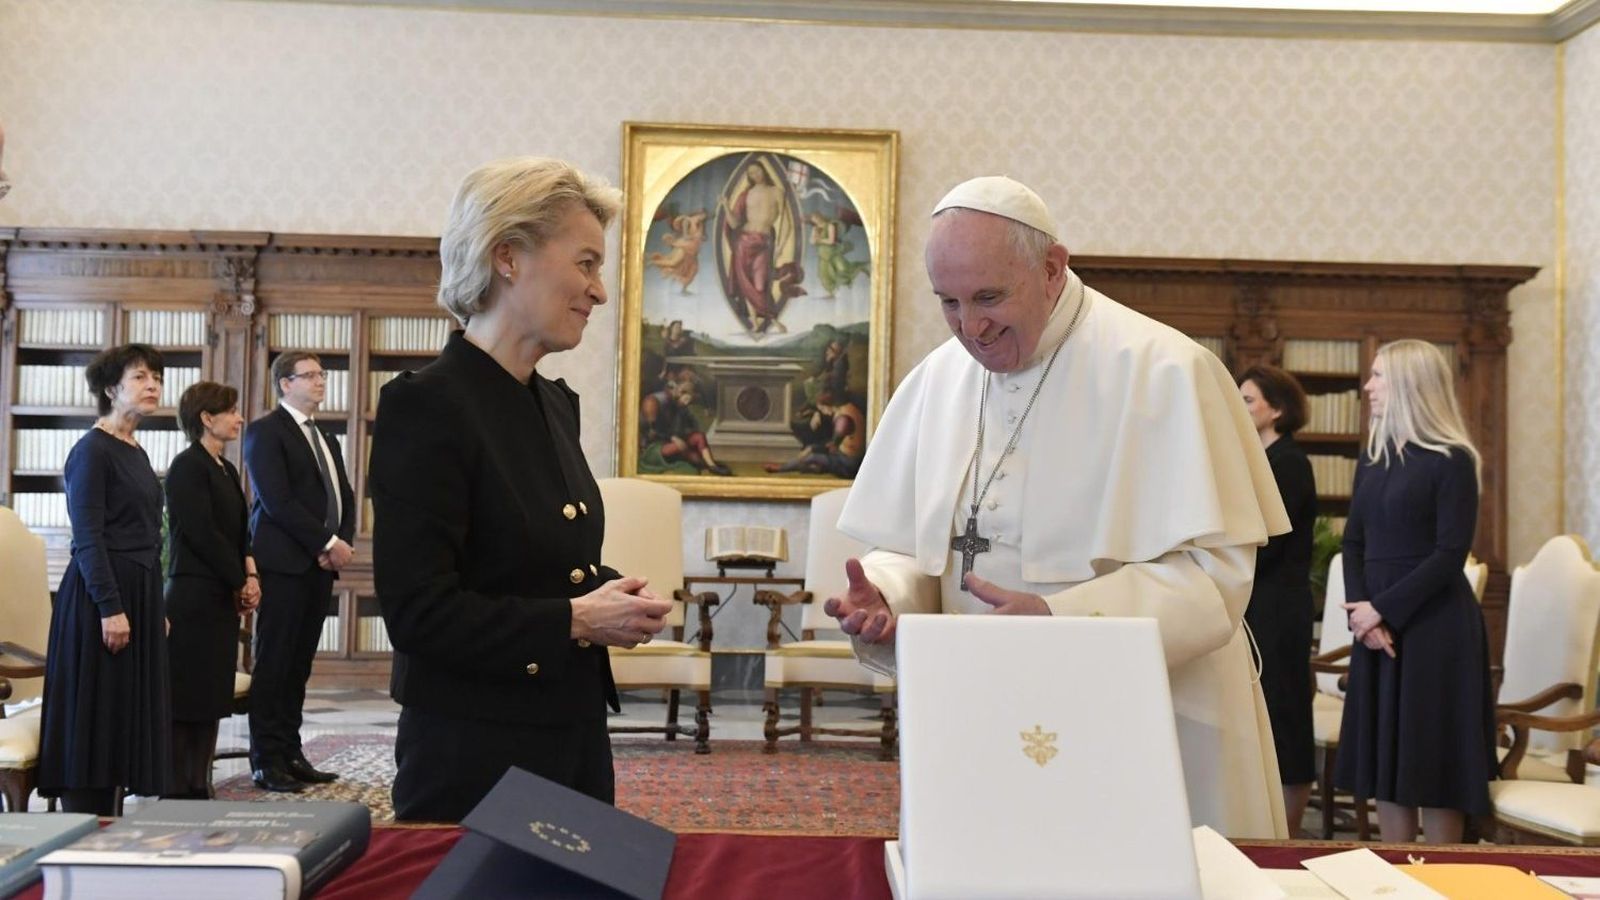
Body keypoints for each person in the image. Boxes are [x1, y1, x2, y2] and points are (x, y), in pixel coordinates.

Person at [824, 176, 1292, 838]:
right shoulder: (937, 381)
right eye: (949, 303)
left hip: (1145, 712)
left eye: (989, 297)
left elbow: (1216, 581)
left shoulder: (1164, 370)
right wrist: (887, 596)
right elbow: (913, 548)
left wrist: (1056, 617)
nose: (973, 328)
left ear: (1051, 268)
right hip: (986, 702)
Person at [371, 156, 674, 823]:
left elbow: (535, 562)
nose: (599, 292)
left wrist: (612, 592)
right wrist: (576, 618)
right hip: (473, 757)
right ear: (508, 256)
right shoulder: (426, 408)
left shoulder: (555, 404)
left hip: (572, 739)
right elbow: (418, 612)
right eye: (587, 263)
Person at [1335, 339, 1494, 844]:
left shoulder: (1453, 460)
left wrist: (1382, 610)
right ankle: (1395, 878)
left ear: (1409, 384)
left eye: (1379, 376)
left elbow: (1450, 555)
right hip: (1376, 629)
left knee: (1434, 760)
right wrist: (1364, 617)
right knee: (1387, 760)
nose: (1368, 387)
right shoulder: (1372, 459)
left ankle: (1445, 880)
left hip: (1434, 628)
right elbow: (1353, 542)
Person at [37, 344, 171, 815]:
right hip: (101, 599)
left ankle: (111, 830)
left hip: (138, 591)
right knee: (95, 720)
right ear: (112, 388)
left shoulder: (134, 449)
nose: (153, 384)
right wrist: (112, 608)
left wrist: (155, 604)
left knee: (121, 722)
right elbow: (88, 538)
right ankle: (82, 835)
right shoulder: (91, 451)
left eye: (156, 376)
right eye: (140, 377)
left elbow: (148, 534)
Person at [243, 351, 356, 792]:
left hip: (319, 567)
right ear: (284, 384)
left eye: (322, 374)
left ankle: (291, 752)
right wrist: (325, 543)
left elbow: (343, 494)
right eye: (309, 376)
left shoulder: (326, 438)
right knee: (275, 662)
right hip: (284, 565)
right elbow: (277, 501)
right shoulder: (265, 432)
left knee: (299, 665)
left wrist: (339, 542)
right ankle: (265, 759)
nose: (320, 381)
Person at [163, 381, 260, 799]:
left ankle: (200, 782)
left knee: (211, 695)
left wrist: (250, 574)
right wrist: (239, 580)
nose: (240, 418)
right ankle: (175, 786)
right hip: (192, 596)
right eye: (232, 410)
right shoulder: (187, 466)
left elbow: (239, 534)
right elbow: (202, 534)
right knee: (187, 696)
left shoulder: (227, 468)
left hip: (220, 593)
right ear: (206, 417)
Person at [1238, 364, 1318, 833]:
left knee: (1285, 713)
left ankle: (1289, 830)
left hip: (1279, 606)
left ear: (1278, 410)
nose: (1240, 406)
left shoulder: (1289, 461)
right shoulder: (1260, 460)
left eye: (1248, 400)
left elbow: (1268, 539)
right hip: (1257, 601)